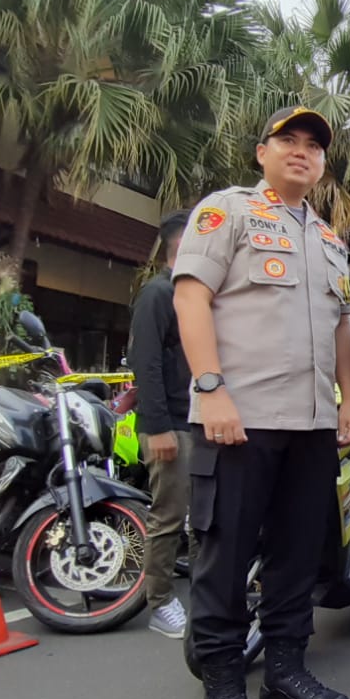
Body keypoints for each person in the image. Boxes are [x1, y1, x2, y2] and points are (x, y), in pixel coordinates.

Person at [173, 106, 350, 699]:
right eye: (289, 141)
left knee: (297, 557)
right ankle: (223, 689)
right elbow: (191, 296)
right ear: (262, 152)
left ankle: (284, 673)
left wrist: (347, 400)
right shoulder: (227, 213)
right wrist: (210, 387)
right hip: (238, 421)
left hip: (310, 424)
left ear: (323, 163)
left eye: (314, 145)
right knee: (224, 560)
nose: (302, 152)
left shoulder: (331, 240)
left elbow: (339, 324)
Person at [126, 210, 194, 638]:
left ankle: (200, 595)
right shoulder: (158, 293)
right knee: (168, 515)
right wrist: (158, 427)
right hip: (169, 424)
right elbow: (144, 363)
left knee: (201, 517)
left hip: (198, 420)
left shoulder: (196, 295)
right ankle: (160, 601)